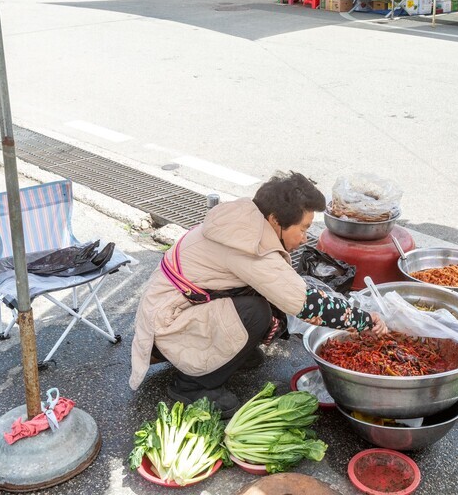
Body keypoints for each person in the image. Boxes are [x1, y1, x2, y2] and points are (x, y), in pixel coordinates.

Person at [129, 172, 387, 417]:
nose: (305, 238)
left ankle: (227, 353)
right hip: (166, 325)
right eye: (303, 228)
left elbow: (283, 286)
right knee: (257, 314)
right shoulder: (249, 245)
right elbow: (305, 304)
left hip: (178, 308)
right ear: (276, 220)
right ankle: (193, 385)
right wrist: (363, 321)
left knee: (268, 303)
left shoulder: (248, 220)